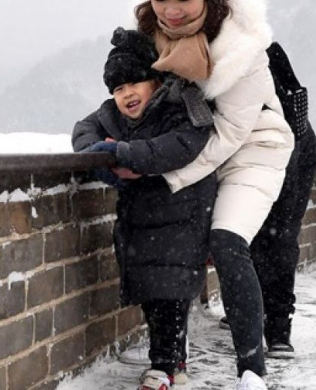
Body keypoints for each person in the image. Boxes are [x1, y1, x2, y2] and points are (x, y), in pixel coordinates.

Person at [134, 0, 295, 388]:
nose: (171, 9)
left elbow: (229, 134)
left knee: (226, 241)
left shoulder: (243, 46)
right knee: (173, 239)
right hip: (192, 147)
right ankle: (170, 358)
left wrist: (166, 173)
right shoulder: (148, 34)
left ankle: (251, 370)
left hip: (254, 148)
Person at [72, 28, 217, 390]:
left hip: (182, 215)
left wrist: (124, 154)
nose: (126, 94)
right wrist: (103, 155)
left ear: (155, 79)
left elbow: (181, 145)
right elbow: (83, 131)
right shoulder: (112, 117)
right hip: (141, 221)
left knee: (171, 294)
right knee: (155, 298)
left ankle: (162, 367)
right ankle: (173, 361)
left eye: (135, 83)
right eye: (118, 89)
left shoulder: (179, 103)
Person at [218, 42, 316, 360]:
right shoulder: (219, 66)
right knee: (249, 238)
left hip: (291, 151)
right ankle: (252, 310)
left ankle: (278, 331)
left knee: (279, 238)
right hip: (257, 150)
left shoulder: (262, 58)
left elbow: (292, 123)